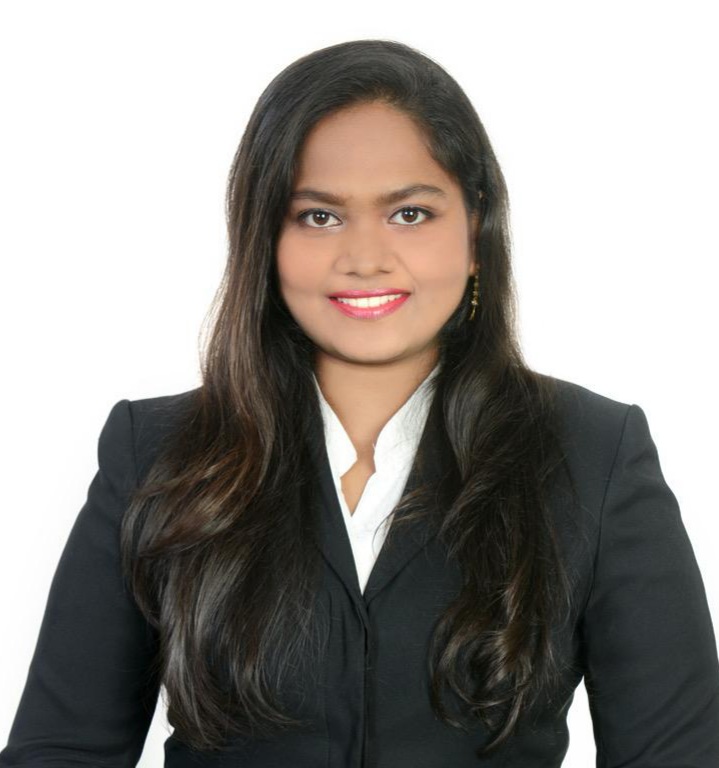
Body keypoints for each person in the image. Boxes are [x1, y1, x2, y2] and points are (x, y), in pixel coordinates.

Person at [1, 38, 718, 768]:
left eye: (409, 213)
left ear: (475, 230)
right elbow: (61, 751)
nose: (365, 258)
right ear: (264, 238)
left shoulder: (593, 454)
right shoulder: (156, 452)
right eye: (319, 217)